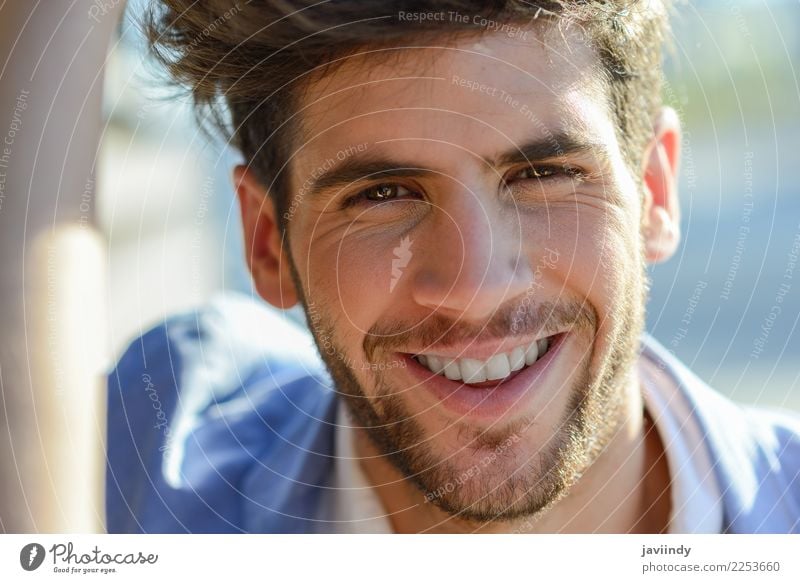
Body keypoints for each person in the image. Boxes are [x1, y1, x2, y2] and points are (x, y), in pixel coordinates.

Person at [106, 1, 800, 534]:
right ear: (266, 241)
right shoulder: (146, 458)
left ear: (653, 189)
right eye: (381, 194)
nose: (474, 291)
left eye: (544, 173)